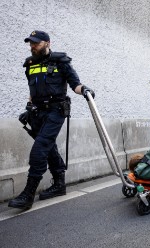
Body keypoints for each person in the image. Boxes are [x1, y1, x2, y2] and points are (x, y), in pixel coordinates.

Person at [8, 30, 95, 210]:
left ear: (47, 43)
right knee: (49, 147)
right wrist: (28, 107)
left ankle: (28, 195)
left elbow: (75, 85)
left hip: (56, 111)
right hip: (37, 113)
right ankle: (59, 185)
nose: (32, 46)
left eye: (36, 43)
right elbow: (33, 90)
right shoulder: (30, 64)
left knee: (39, 149)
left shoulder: (61, 62)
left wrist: (85, 89)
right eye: (31, 43)